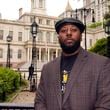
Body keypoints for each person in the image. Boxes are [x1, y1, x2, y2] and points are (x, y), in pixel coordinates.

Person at [34, 18, 110, 110]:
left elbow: (104, 104)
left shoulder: (101, 64)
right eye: (63, 30)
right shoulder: (48, 68)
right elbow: (39, 101)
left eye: (74, 30)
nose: (69, 33)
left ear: (81, 36)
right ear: (58, 37)